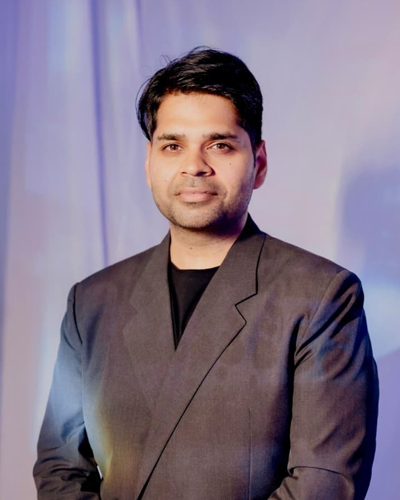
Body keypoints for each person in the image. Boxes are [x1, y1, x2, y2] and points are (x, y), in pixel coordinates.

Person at [33, 47, 379, 500]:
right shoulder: (92, 301)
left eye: (220, 144)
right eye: (172, 145)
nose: (194, 165)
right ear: (149, 163)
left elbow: (324, 483)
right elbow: (60, 467)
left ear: (259, 163)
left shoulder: (322, 298)